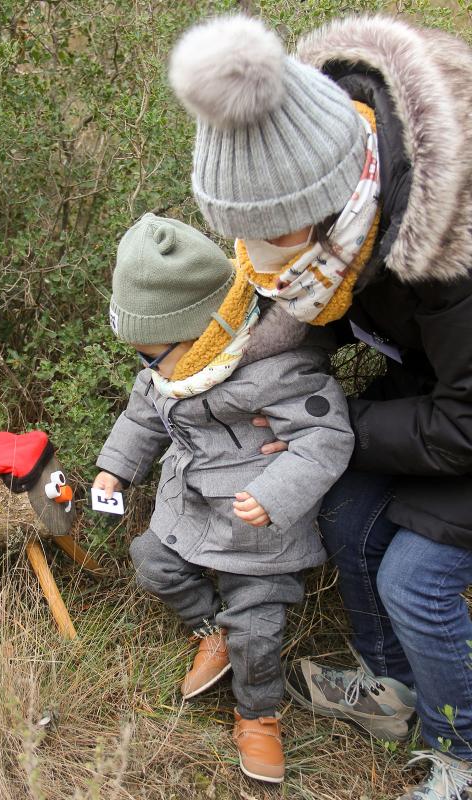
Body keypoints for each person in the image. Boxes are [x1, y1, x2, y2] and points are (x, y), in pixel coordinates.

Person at [168, 12, 472, 800]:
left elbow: (466, 423)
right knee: (342, 511)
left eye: (271, 235)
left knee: (417, 578)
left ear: (335, 205)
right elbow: (309, 306)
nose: (260, 258)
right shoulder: (333, 164)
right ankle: (392, 684)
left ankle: (459, 746)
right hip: (435, 393)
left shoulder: (454, 249)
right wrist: (216, 377)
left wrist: (337, 430)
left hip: (465, 414)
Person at [93, 212, 354, 782]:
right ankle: (213, 631)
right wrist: (116, 469)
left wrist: (275, 493)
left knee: (259, 625)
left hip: (257, 525)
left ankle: (258, 716)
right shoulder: (171, 367)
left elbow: (326, 436)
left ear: (205, 328)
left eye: (151, 354)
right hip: (189, 506)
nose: (147, 367)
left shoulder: (278, 370)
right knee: (151, 562)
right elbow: (146, 407)